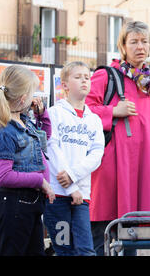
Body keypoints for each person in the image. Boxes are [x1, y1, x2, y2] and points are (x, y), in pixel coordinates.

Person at [86, 21, 150, 255]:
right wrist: (113, 111)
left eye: (144, 41)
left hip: (140, 172)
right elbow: (83, 110)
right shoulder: (105, 76)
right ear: (123, 46)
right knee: (102, 234)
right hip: (109, 169)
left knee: (131, 235)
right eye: (133, 41)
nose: (140, 46)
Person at [43, 61, 105, 256]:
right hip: (57, 196)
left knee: (86, 250)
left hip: (81, 198)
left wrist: (73, 175)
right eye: (78, 77)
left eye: (87, 77)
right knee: (64, 249)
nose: (84, 81)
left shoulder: (94, 119)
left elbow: (96, 154)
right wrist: (70, 187)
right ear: (65, 85)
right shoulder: (54, 113)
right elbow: (51, 149)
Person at [0, 64, 55, 256]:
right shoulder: (6, 130)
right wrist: (40, 181)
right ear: (23, 98)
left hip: (30, 203)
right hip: (15, 204)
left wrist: (42, 115)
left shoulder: (25, 121)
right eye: (32, 93)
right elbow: (3, 175)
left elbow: (44, 138)